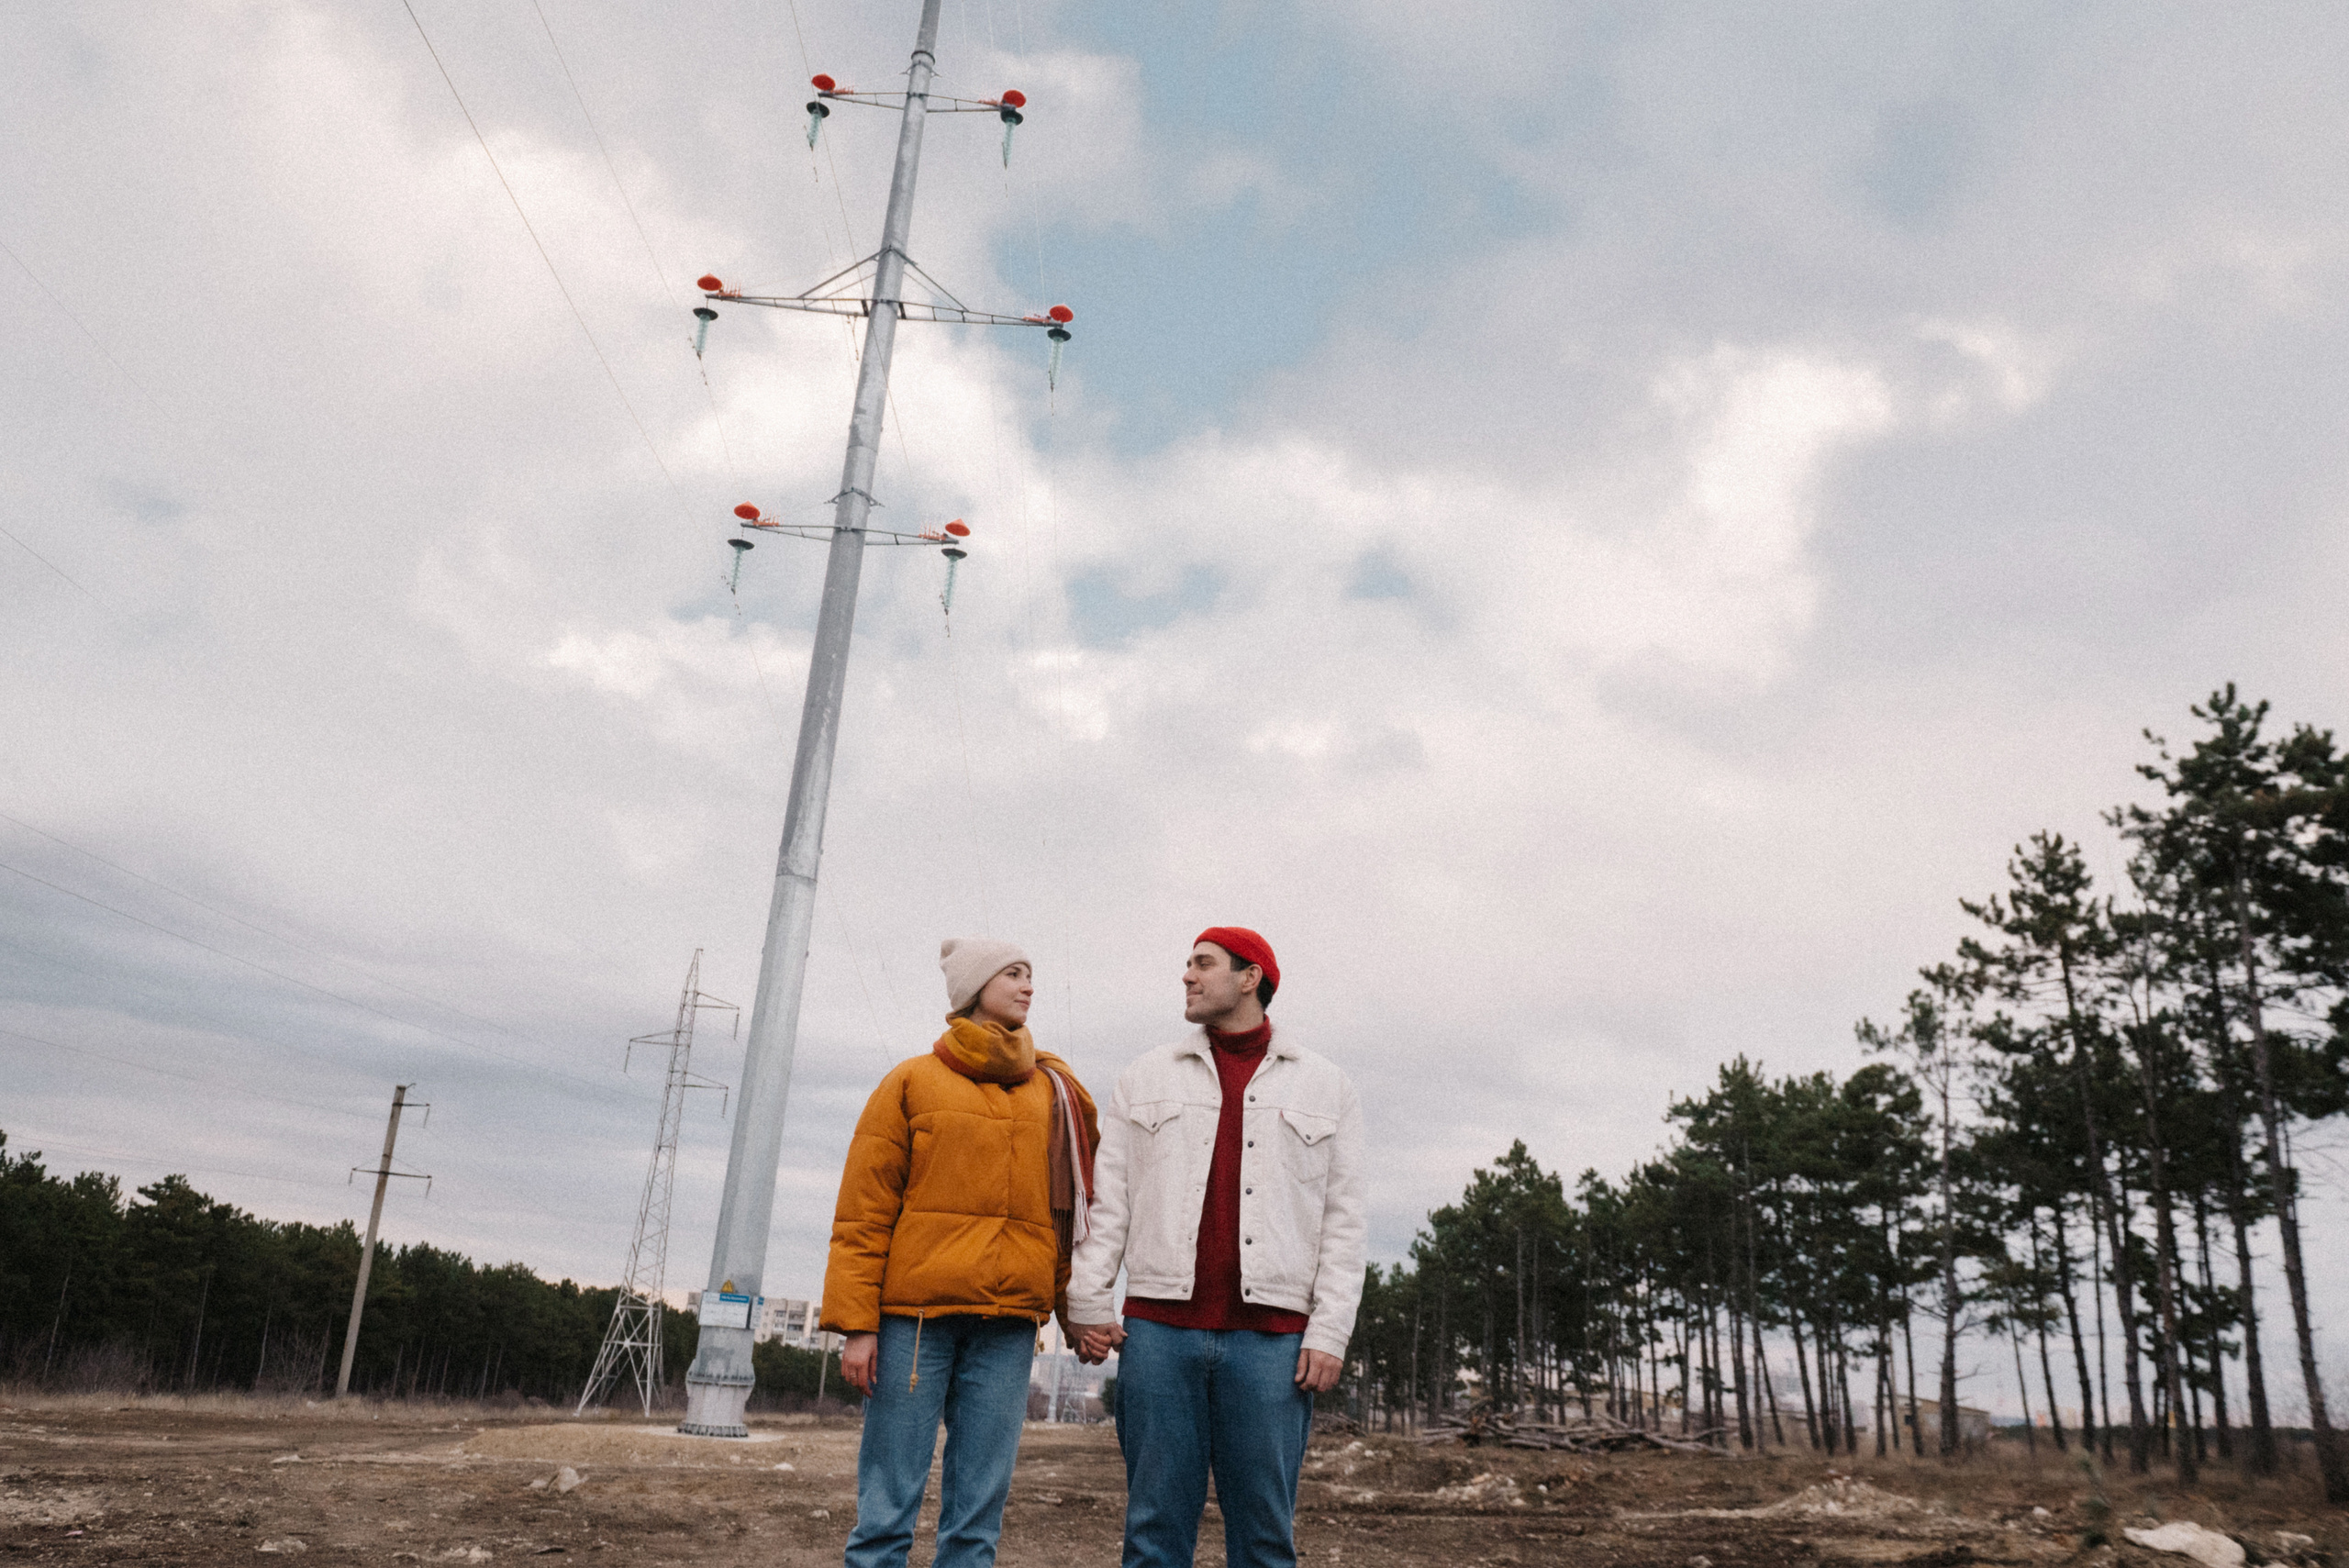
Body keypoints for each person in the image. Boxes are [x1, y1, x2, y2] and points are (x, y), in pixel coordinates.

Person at [1066, 928, 1366, 1568]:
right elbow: (1109, 1201)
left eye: (1203, 964)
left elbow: (1343, 1220)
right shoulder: (1144, 1076)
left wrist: (1330, 1329)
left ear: (1250, 977)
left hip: (1274, 1342)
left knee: (1263, 1537)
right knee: (1152, 1533)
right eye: (1187, 964)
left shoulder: (1326, 1085)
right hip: (1160, 1333)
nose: (1188, 975)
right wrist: (1087, 1300)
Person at [820, 938, 1099, 1568]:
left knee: (977, 1517)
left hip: (1007, 1327)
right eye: (1014, 973)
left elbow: (1064, 1215)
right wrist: (858, 1326)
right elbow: (863, 1214)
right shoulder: (910, 1081)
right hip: (914, 1326)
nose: (1030, 985)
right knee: (887, 1509)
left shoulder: (1052, 1093)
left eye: (1032, 973)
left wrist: (1073, 1308)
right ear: (974, 989)